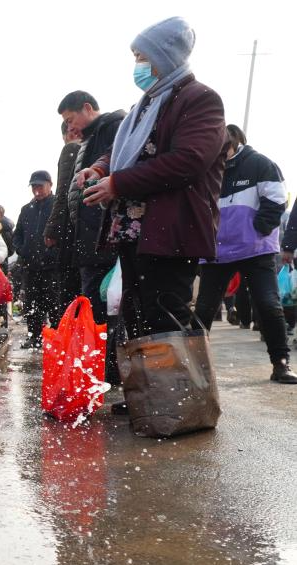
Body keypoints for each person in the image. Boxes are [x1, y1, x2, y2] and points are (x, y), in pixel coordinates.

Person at [83, 17, 229, 344]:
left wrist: (117, 184)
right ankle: (147, 393)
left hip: (171, 229)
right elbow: (123, 149)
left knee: (165, 313)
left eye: (141, 57)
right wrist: (100, 169)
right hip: (134, 230)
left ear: (164, 57)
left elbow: (188, 160)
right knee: (136, 315)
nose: (137, 65)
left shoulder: (199, 99)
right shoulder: (145, 104)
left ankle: (180, 393)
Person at [193, 125, 296, 382]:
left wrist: (259, 228)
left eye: (222, 150)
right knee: (204, 308)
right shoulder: (205, 168)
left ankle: (280, 362)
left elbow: (276, 200)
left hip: (255, 249)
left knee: (269, 304)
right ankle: (192, 366)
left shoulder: (260, 164)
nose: (218, 156)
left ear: (233, 143)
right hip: (216, 252)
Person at [58, 90, 124, 326]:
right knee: (93, 302)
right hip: (89, 236)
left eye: (70, 119)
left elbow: (115, 164)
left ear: (87, 108)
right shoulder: (89, 138)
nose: (70, 126)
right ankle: (99, 355)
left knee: (103, 304)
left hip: (103, 235)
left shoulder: (113, 128)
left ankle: (106, 357)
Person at [13, 171, 59, 348]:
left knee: (53, 303)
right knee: (32, 304)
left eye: (40, 186)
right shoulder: (27, 210)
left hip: (52, 266)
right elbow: (17, 236)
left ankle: (55, 335)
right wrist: (22, 250)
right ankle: (34, 336)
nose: (37, 190)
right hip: (31, 266)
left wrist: (54, 252)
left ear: (50, 185)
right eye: (34, 186)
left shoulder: (57, 205)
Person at [44, 120, 84, 312]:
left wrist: (52, 228)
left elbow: (63, 193)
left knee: (69, 288)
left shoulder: (71, 149)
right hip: (89, 228)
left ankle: (72, 335)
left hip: (71, 230)